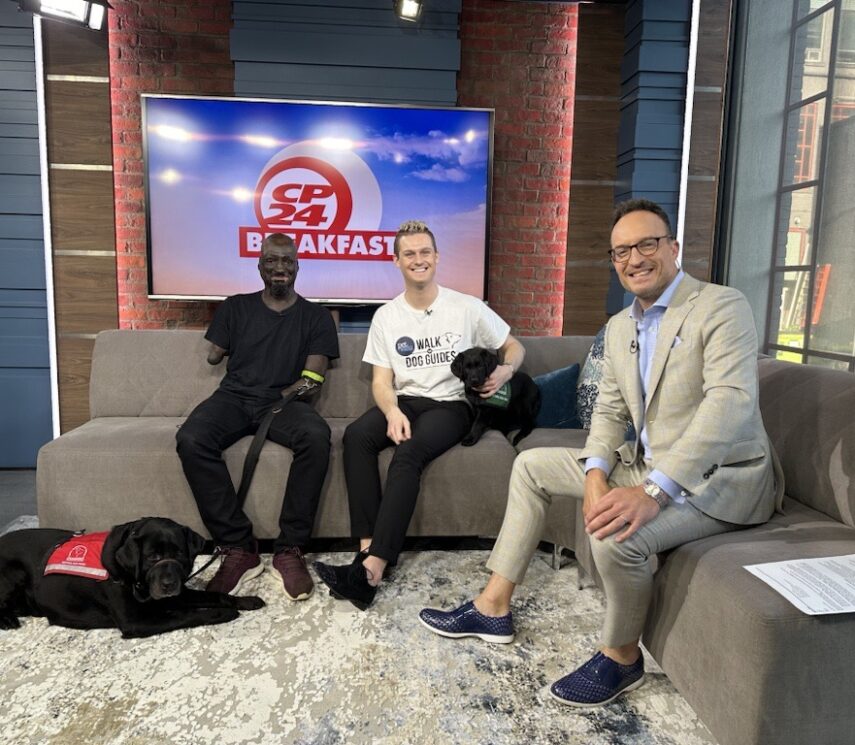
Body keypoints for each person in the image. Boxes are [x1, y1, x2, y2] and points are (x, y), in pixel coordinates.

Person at [419, 198, 783, 707]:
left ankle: (621, 658)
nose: (634, 258)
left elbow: (730, 404)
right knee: (530, 466)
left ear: (674, 248)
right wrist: (595, 476)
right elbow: (610, 413)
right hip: (643, 464)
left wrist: (653, 491)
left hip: (719, 478)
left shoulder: (721, 306)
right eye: (620, 252)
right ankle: (492, 605)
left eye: (647, 244)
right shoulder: (618, 327)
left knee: (615, 534)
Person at [313, 220, 526, 610]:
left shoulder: (467, 307)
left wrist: (506, 370)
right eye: (409, 253)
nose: (418, 259)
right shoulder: (387, 316)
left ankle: (373, 568)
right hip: (406, 400)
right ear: (396, 261)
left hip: (451, 405)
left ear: (437, 257)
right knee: (356, 437)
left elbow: (513, 346)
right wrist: (391, 409)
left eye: (425, 252)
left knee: (408, 453)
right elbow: (381, 381)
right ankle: (365, 552)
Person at [176, 232, 339, 600]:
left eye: (287, 262)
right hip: (233, 398)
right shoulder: (235, 307)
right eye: (271, 261)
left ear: (298, 266)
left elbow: (313, 377)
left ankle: (290, 549)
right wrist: (223, 344)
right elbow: (213, 356)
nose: (279, 268)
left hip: (286, 403)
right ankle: (238, 547)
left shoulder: (316, 316)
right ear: (259, 265)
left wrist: (283, 399)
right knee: (191, 438)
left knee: (315, 437)